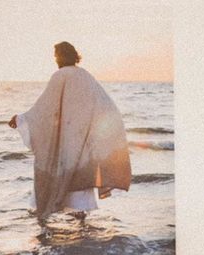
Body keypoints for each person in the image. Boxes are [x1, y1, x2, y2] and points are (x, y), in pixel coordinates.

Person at [8, 42, 131, 221]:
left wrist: (21, 119)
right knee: (80, 171)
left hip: (67, 137)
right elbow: (104, 104)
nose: (55, 58)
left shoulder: (60, 75)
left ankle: (47, 222)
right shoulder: (86, 76)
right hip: (82, 138)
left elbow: (44, 109)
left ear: (62, 56)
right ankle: (81, 221)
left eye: (57, 55)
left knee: (60, 169)